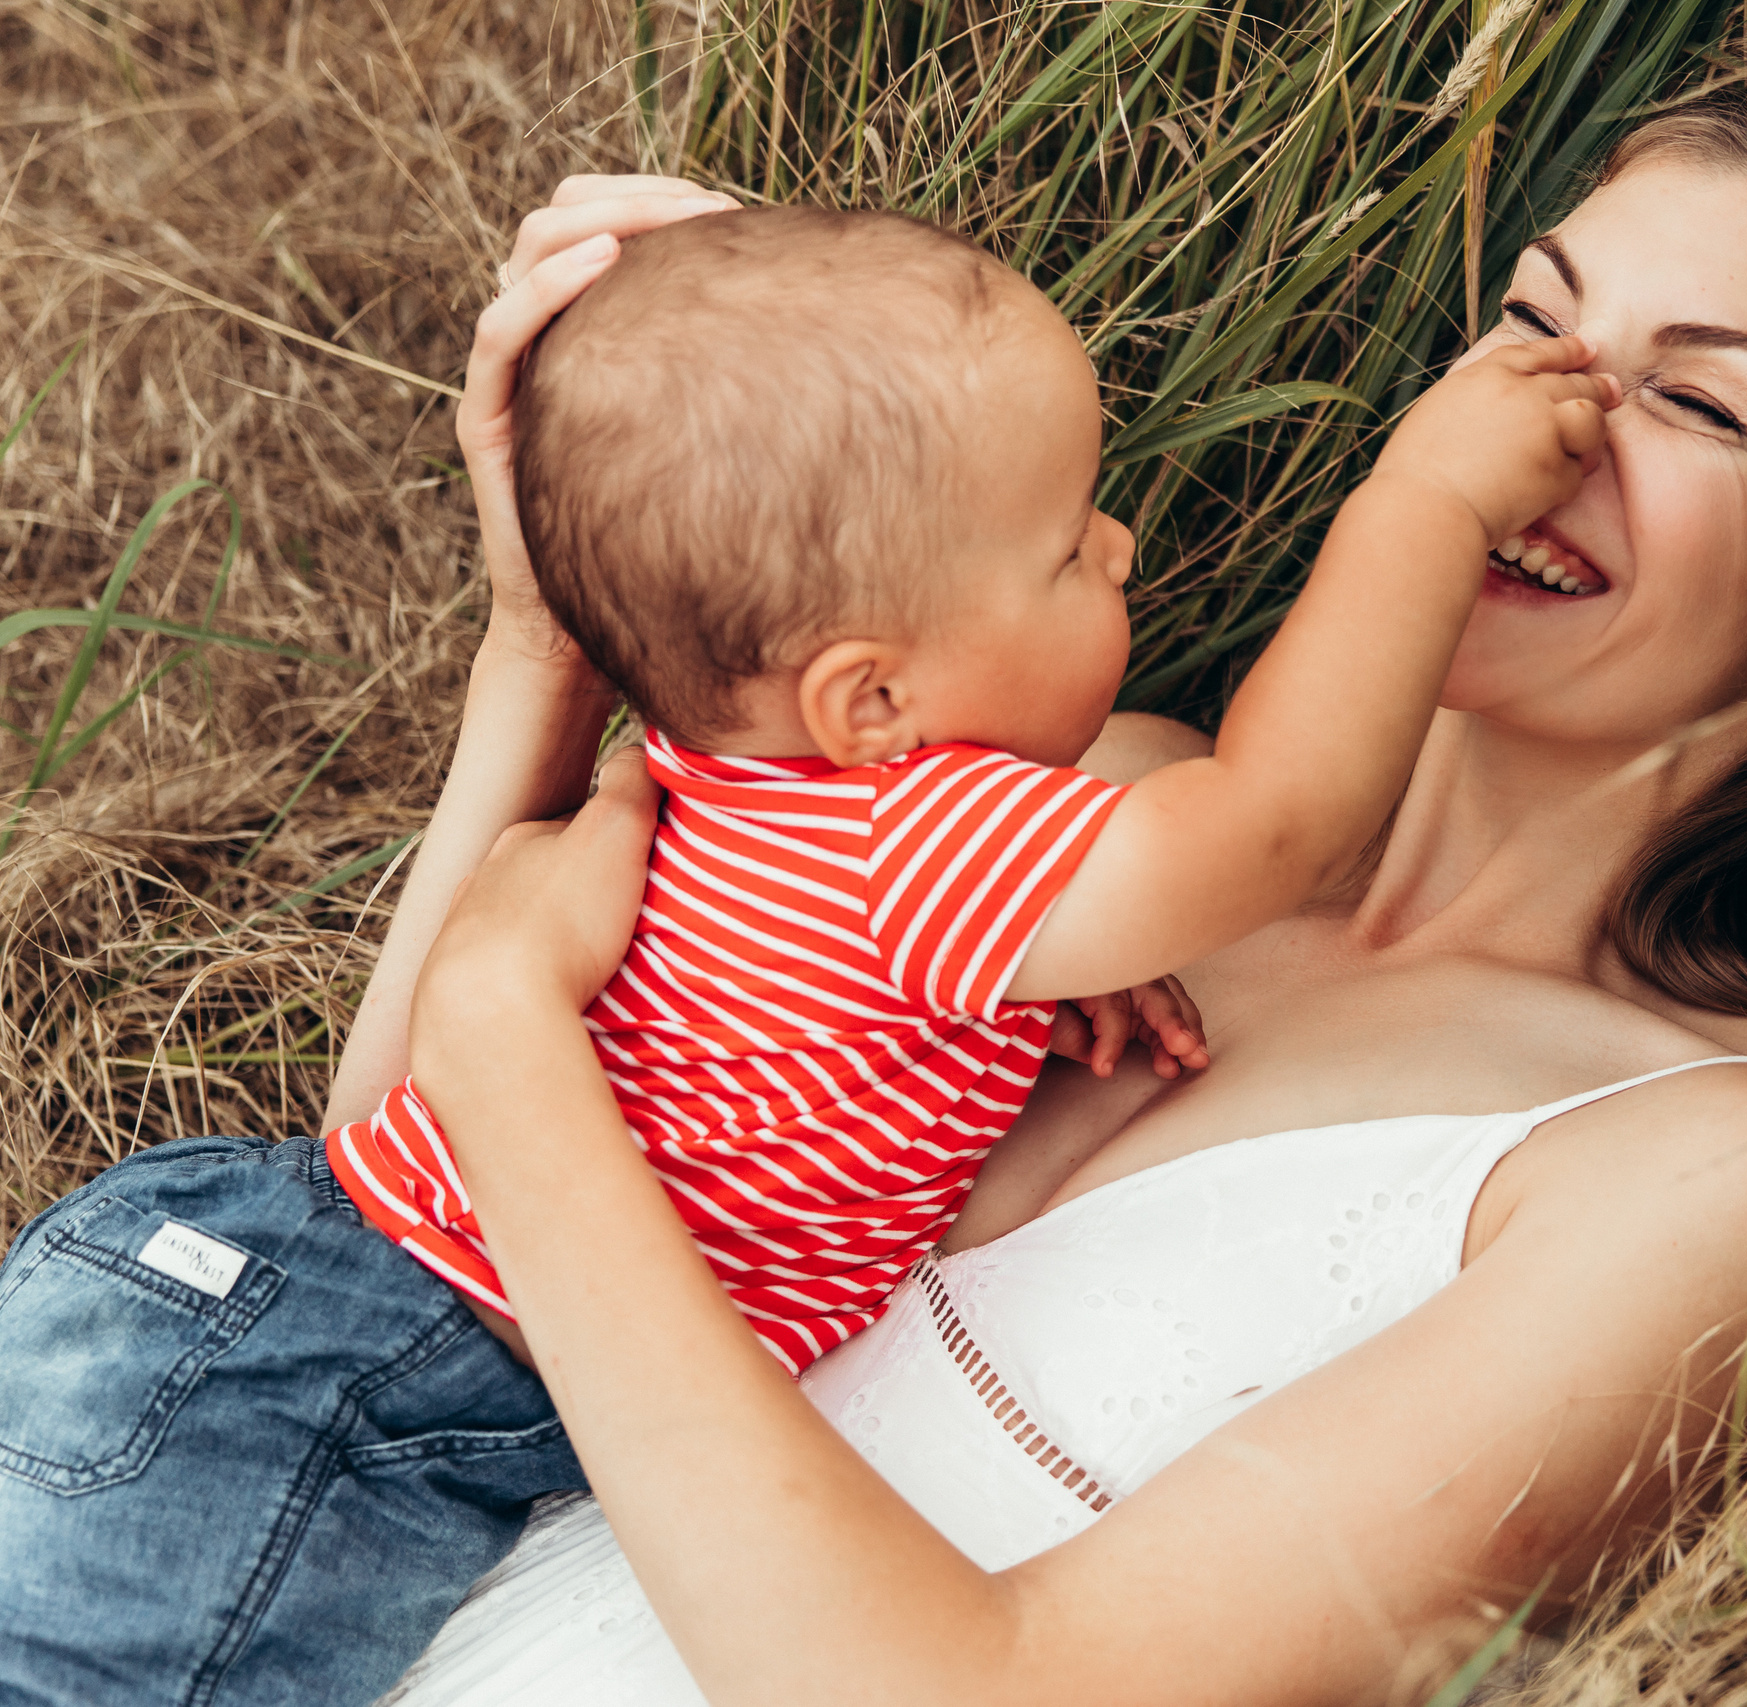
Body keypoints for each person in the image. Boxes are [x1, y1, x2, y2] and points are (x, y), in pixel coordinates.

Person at [0, 203, 1614, 1702]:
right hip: (337, 1366)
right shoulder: (918, 834)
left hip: (285, 1309)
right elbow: (1280, 826)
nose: (1120, 548)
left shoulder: (773, 783)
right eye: (1065, 546)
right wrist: (1426, 499)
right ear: (869, 700)